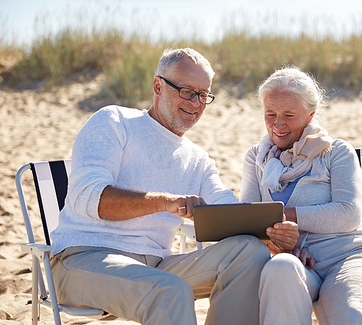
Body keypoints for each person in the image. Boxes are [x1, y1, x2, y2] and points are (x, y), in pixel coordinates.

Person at [49, 48, 271, 325]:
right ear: (158, 85)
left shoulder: (197, 159)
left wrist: (273, 234)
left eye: (204, 95)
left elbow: (224, 204)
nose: (197, 103)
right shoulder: (115, 121)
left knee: (250, 252)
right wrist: (164, 202)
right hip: (83, 259)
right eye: (188, 91)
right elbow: (89, 198)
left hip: (156, 266)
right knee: (170, 291)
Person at [240, 66, 362, 325]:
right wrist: (279, 247)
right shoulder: (256, 158)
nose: (278, 124)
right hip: (293, 259)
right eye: (270, 114)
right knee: (280, 270)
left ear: (310, 116)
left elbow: (348, 214)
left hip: (348, 256)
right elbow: (248, 222)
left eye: (289, 114)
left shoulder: (337, 152)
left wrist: (279, 216)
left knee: (352, 314)